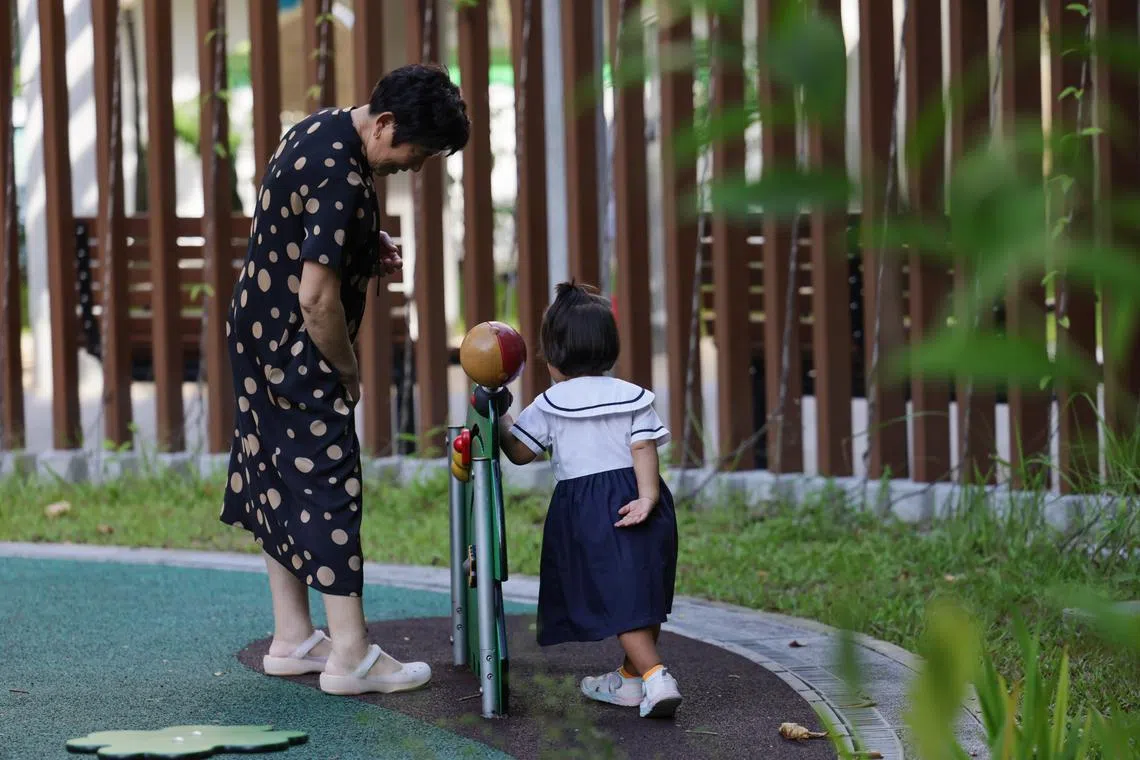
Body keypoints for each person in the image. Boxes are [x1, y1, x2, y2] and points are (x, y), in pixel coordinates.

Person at [220, 63, 469, 696]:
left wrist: (364, 244)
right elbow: (317, 301)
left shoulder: (320, 127)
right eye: (417, 153)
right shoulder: (346, 178)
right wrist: (348, 371)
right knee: (330, 487)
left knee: (274, 476)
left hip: (252, 334)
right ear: (385, 125)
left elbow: (294, 223)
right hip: (296, 348)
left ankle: (293, 638)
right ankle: (351, 654)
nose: (416, 167)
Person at [496, 281, 683, 719]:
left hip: (592, 512)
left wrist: (498, 410)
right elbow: (643, 447)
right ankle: (630, 680)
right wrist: (648, 496)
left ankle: (656, 676)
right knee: (640, 593)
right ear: (609, 349)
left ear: (553, 356)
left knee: (618, 599)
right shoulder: (630, 394)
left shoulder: (551, 402)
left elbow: (521, 452)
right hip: (642, 499)